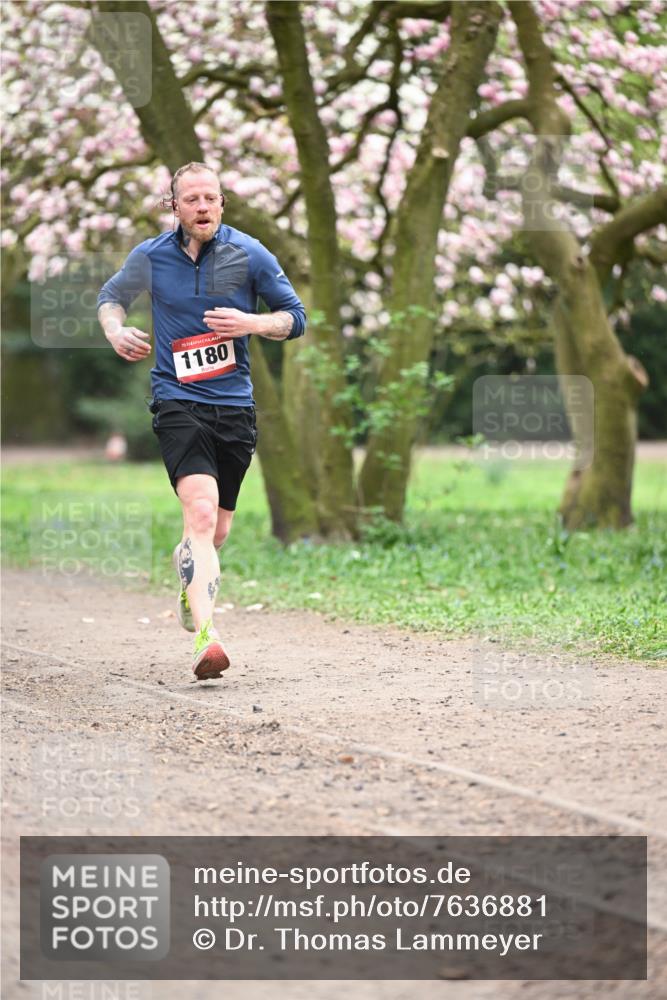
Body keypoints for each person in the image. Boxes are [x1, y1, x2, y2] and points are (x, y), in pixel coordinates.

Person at [97, 161, 306, 680]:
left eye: (211, 197)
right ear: (175, 206)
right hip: (177, 401)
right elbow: (111, 299)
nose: (203, 206)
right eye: (191, 199)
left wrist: (251, 322)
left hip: (234, 406)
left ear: (222, 203)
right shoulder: (151, 256)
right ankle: (207, 638)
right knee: (201, 513)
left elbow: (295, 317)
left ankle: (190, 581)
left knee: (216, 531)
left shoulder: (249, 253)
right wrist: (115, 331)